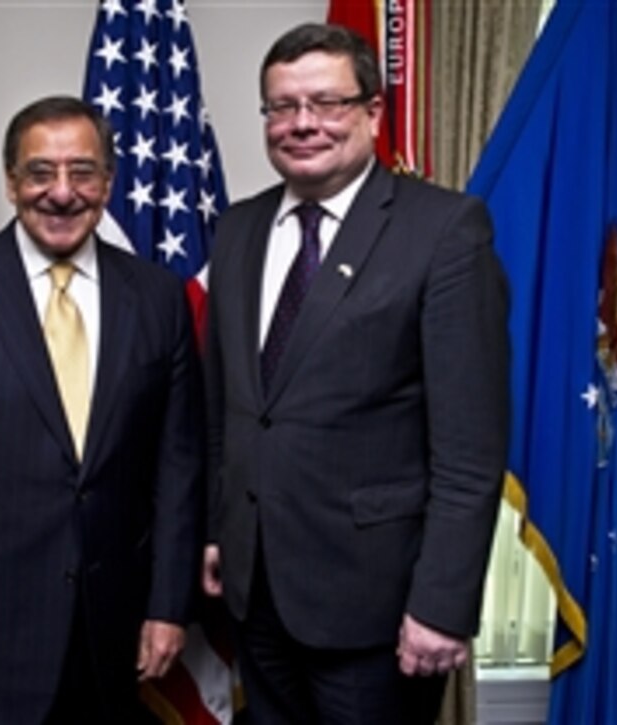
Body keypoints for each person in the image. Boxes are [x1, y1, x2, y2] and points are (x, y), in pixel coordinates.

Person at [201, 23, 510, 724]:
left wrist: (441, 604)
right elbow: (229, 404)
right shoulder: (239, 229)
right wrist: (222, 528)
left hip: (381, 607)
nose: (301, 124)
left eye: (325, 103)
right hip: (258, 590)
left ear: (372, 112)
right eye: (282, 107)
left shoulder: (446, 231)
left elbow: (470, 449)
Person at [0, 95, 204, 723]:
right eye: (39, 172)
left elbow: (177, 467)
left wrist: (167, 606)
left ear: (108, 182)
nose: (61, 193)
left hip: (115, 636)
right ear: (10, 182)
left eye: (82, 172)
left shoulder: (158, 298)